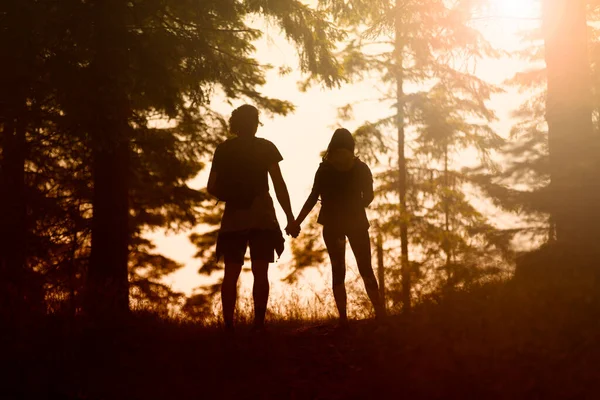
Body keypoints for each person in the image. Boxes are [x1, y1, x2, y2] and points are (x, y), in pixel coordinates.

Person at [207, 104, 296, 332]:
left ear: (235, 125)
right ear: (256, 123)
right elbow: (279, 184)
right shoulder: (266, 148)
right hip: (262, 215)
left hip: (234, 216)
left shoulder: (224, 149)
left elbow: (212, 186)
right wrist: (289, 216)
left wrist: (234, 195)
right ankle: (258, 325)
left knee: (231, 272)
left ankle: (229, 327)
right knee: (260, 270)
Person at [289, 128, 384, 327]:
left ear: (332, 145)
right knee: (366, 267)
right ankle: (380, 314)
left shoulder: (324, 169)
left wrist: (296, 222)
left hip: (332, 225)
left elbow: (312, 198)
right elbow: (369, 197)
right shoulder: (361, 168)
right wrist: (357, 204)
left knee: (338, 270)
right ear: (351, 146)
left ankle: (343, 318)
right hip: (357, 222)